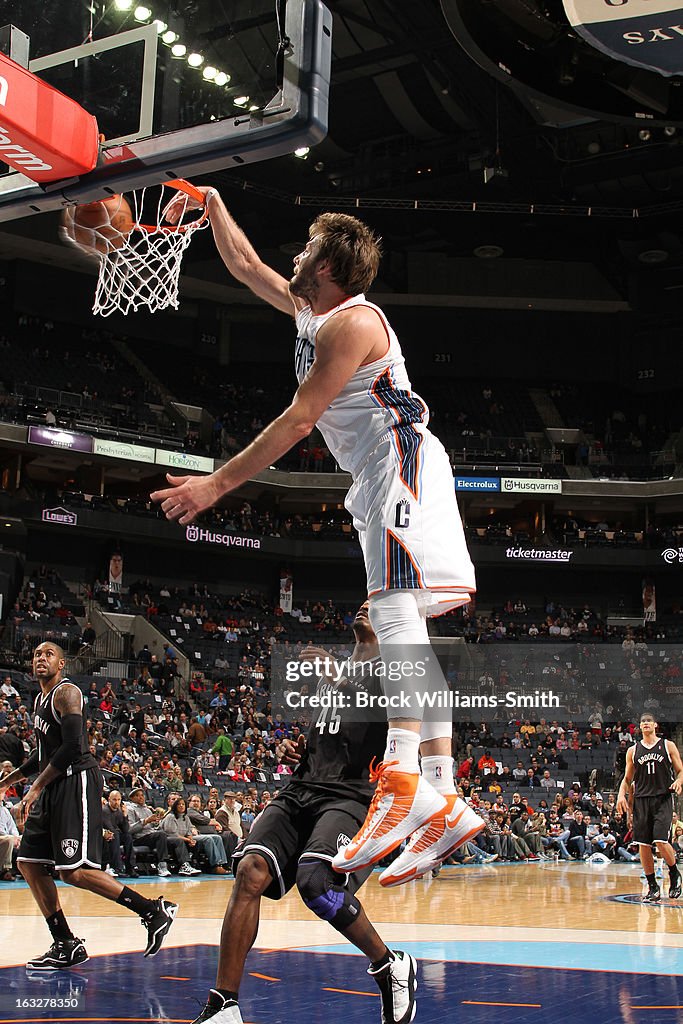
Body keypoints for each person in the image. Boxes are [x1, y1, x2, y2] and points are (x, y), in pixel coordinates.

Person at [152, 194, 477, 883]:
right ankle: (443, 795)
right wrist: (211, 205)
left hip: (399, 456)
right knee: (404, 622)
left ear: (327, 265)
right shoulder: (312, 311)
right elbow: (244, 265)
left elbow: (300, 420)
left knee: (390, 611)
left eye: (305, 250)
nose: (294, 258)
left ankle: (399, 779)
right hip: (372, 472)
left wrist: (213, 486)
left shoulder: (351, 322)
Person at [190, 602, 417, 1024]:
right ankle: (224, 1005)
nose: (365, 606)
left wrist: (337, 677)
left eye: (375, 605)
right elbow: (336, 732)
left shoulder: (398, 669)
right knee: (250, 870)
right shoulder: (340, 672)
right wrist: (304, 748)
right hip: (303, 786)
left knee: (317, 884)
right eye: (362, 603)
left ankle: (390, 965)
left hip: (352, 794)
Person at [0, 642, 177, 969]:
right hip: (53, 783)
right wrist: (6, 784)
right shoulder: (39, 699)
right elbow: (40, 757)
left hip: (75, 780)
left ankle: (152, 911)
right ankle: (65, 942)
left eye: (48, 654)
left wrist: (34, 789)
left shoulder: (67, 694)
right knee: (28, 863)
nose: (41, 658)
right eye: (37, 654)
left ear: (61, 663)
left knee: (74, 871)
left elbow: (70, 747)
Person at [617, 712, 683, 902]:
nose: (645, 724)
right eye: (642, 722)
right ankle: (652, 885)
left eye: (648, 721)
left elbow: (680, 770)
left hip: (662, 798)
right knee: (643, 845)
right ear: (640, 727)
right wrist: (621, 795)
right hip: (642, 800)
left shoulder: (667, 745)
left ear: (655, 725)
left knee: (661, 841)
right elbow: (627, 778)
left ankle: (673, 872)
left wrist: (679, 781)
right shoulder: (633, 750)